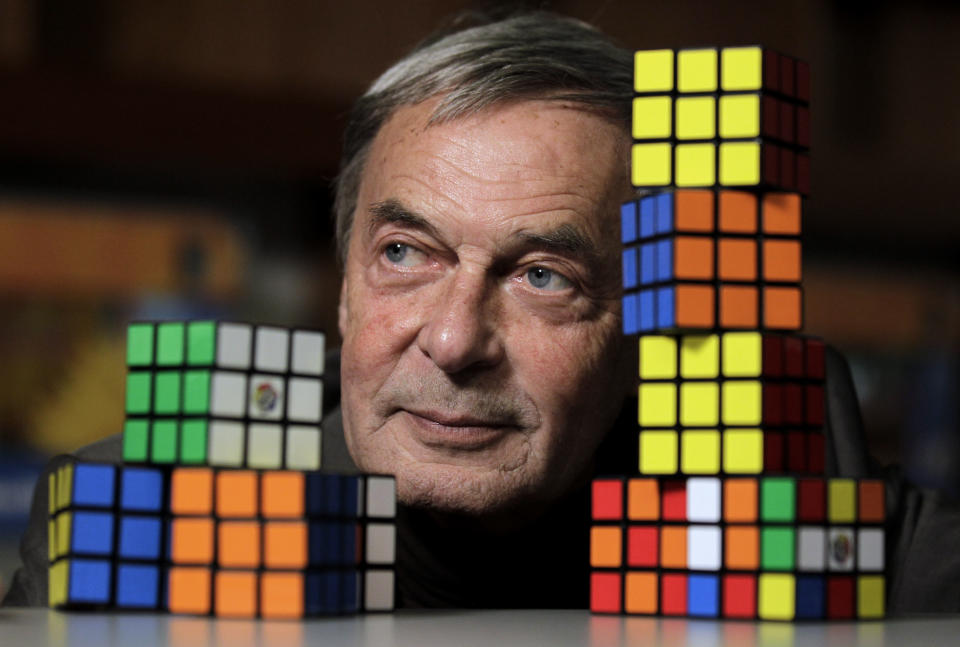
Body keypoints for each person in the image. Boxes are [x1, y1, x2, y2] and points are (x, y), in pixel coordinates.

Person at [4, 10, 959, 613]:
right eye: (405, 255)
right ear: (342, 287)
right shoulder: (131, 526)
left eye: (544, 275)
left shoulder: (814, 522)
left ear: (651, 322)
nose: (455, 340)